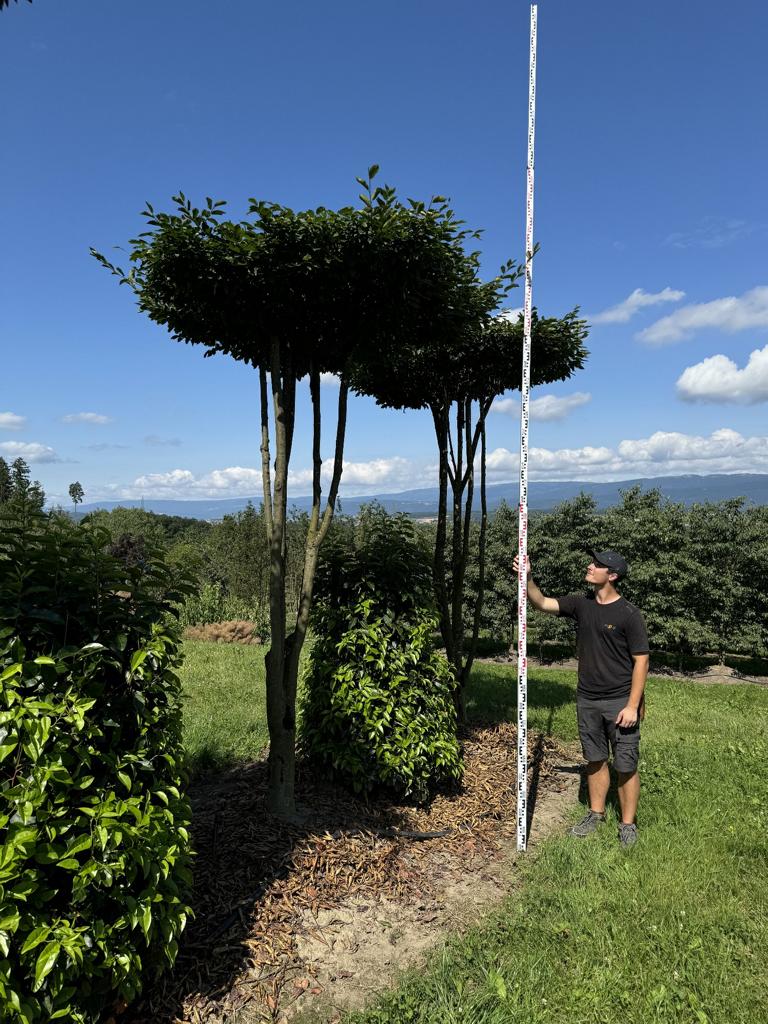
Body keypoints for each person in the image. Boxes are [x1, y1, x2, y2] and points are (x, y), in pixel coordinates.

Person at [512, 549, 649, 847]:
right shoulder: (581, 604)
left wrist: (632, 705)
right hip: (587, 698)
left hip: (619, 701)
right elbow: (541, 602)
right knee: (595, 759)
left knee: (625, 764)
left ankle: (628, 824)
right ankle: (596, 813)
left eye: (597, 565)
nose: (590, 566)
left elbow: (641, 661)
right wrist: (528, 576)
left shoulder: (629, 614)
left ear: (611, 575)